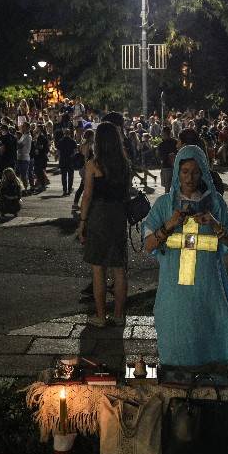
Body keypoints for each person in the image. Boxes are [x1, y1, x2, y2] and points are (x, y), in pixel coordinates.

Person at [143, 144, 228, 368]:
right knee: (174, 331)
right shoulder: (163, 205)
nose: (190, 177)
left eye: (196, 172)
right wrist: (169, 225)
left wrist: (215, 223)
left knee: (209, 330)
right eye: (185, 171)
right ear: (177, 172)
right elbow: (148, 245)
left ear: (204, 173)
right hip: (174, 288)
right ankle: (175, 375)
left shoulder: (214, 202)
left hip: (207, 285)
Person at [77, 122, 131, 327]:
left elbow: (87, 195)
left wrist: (82, 222)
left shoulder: (93, 164)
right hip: (118, 215)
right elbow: (126, 193)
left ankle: (100, 316)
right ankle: (119, 315)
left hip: (99, 215)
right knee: (119, 268)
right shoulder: (124, 163)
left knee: (98, 269)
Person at [57, 126, 78, 196]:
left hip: (63, 160)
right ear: (69, 134)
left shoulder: (60, 141)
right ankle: (69, 189)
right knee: (70, 176)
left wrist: (59, 159)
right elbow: (75, 152)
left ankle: (64, 190)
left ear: (64, 133)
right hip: (70, 160)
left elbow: (58, 152)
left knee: (63, 176)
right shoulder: (73, 141)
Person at [157, 125, 178, 192]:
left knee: (167, 188)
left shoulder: (161, 145)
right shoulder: (176, 142)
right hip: (176, 167)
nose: (161, 134)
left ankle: (168, 201)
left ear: (165, 133)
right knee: (176, 187)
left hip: (166, 167)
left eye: (162, 132)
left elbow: (160, 157)